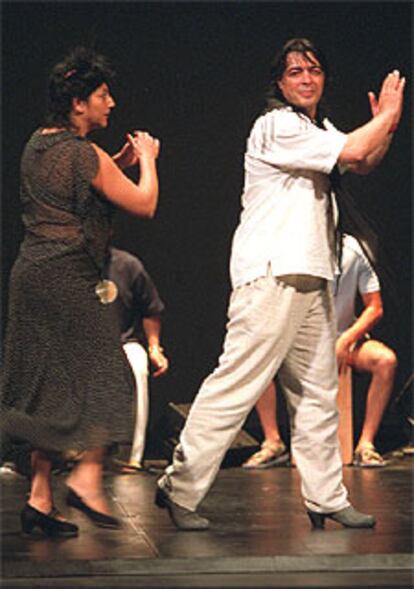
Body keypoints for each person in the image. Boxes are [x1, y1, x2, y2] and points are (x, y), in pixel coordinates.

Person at [155, 38, 405, 531]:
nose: (307, 79)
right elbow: (356, 146)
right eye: (295, 72)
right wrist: (386, 116)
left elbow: (362, 159)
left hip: (311, 275)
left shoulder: (317, 127)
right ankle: (179, 487)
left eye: (314, 70)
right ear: (280, 83)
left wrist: (388, 126)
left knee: (317, 393)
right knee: (237, 384)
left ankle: (326, 496)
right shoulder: (275, 125)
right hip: (271, 273)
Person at [1, 46, 160, 538]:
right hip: (68, 278)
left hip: (30, 276)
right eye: (102, 96)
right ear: (78, 104)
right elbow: (143, 203)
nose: (110, 104)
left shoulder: (37, 145)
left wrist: (115, 162)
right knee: (109, 374)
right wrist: (147, 162)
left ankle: (40, 498)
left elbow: (70, 193)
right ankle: (88, 480)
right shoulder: (83, 153)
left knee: (48, 387)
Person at [243, 233, 397, 469]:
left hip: (343, 339)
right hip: (298, 341)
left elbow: (374, 307)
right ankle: (273, 442)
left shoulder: (352, 249)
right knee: (257, 361)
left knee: (385, 360)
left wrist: (347, 338)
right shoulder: (288, 247)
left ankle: (366, 444)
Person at [104, 247, 169, 472]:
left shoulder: (127, 265)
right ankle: (68, 451)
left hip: (123, 342)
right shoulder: (69, 266)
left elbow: (151, 308)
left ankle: (130, 456)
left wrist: (154, 347)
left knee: (137, 366)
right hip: (80, 345)